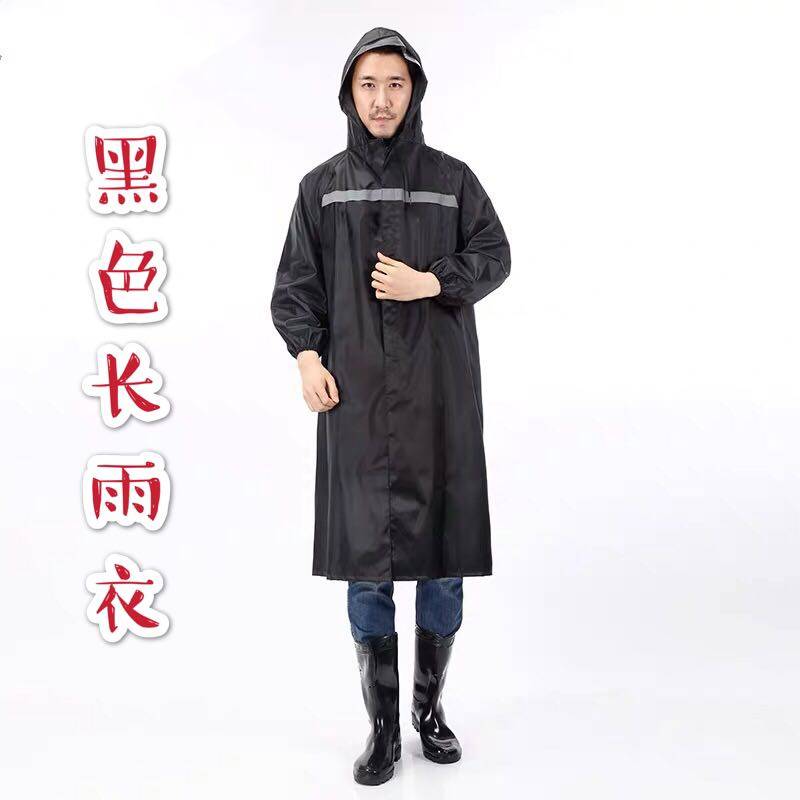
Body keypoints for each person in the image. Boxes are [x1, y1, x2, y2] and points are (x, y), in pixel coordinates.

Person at [270, 26, 511, 785]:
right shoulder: (322, 188)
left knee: (442, 562)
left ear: (415, 92)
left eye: (395, 85)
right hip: (359, 404)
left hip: (440, 400)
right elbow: (295, 286)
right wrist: (307, 355)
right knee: (367, 567)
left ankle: (429, 712)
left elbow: (495, 254)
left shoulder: (452, 180)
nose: (382, 99)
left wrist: (431, 282)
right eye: (368, 85)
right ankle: (381, 730)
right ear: (349, 94)